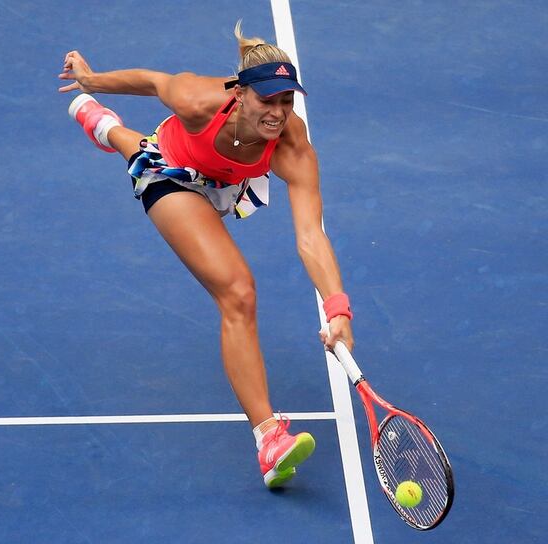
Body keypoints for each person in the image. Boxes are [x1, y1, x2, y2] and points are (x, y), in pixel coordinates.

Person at [58, 21, 354, 488]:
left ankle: (105, 127)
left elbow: (311, 236)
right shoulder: (196, 100)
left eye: (286, 101)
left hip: (225, 182)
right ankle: (269, 438)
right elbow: (152, 81)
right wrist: (92, 80)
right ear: (240, 92)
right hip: (170, 171)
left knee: (133, 146)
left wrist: (338, 308)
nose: (278, 113)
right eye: (267, 100)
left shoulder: (293, 145)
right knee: (238, 293)